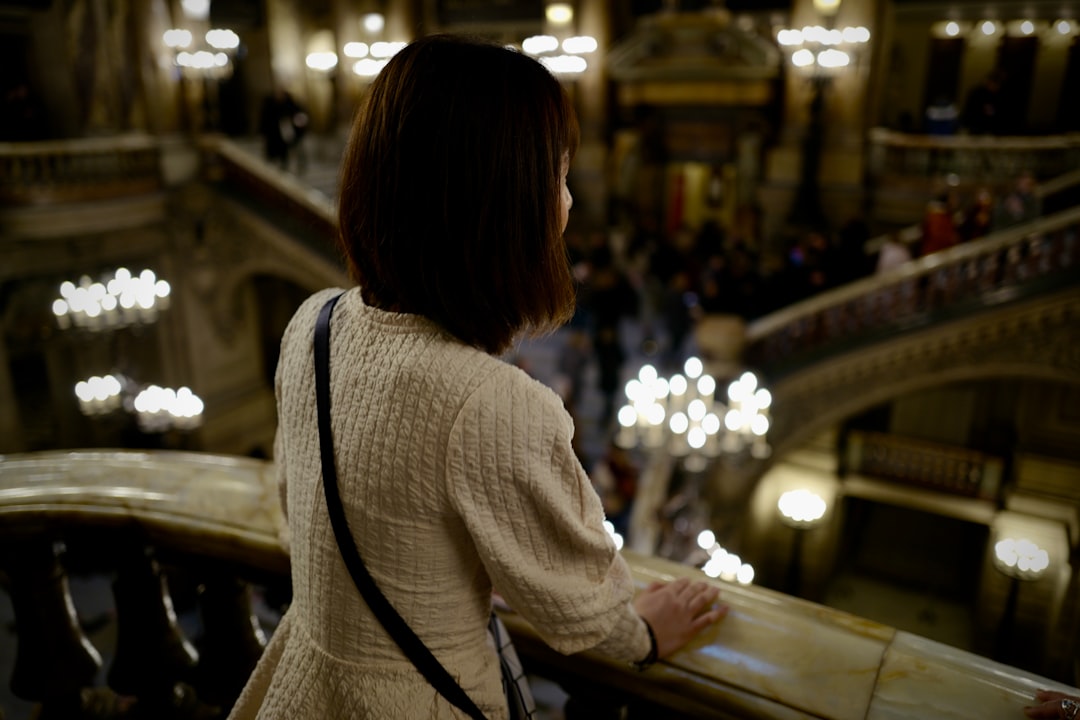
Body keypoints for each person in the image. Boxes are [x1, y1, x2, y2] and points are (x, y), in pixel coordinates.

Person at [230, 34, 728, 719]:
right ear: (501, 203)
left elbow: (307, 506)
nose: (569, 203)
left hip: (305, 679)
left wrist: (435, 569)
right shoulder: (493, 402)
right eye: (558, 175)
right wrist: (643, 634)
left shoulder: (312, 323)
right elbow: (576, 602)